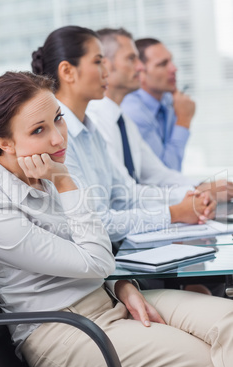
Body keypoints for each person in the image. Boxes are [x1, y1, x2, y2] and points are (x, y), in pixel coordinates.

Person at [0, 70, 233, 367]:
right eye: (39, 130)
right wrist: (65, 183)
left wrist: (121, 286)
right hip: (65, 334)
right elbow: (96, 259)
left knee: (229, 322)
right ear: (4, 143)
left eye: (58, 120)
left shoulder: (45, 167)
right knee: (212, 365)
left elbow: (89, 252)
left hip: (108, 297)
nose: (59, 139)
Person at [31, 25, 216, 245]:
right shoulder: (56, 140)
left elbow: (125, 195)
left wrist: (192, 198)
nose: (106, 73)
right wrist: (175, 212)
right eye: (98, 62)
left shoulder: (91, 130)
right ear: (68, 71)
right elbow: (98, 223)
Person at [87, 28, 233, 205]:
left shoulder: (123, 120)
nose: (140, 67)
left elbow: (158, 174)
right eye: (131, 59)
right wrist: (198, 192)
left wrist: (203, 187)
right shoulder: (95, 121)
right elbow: (124, 194)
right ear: (105, 64)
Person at [121, 37, 194, 171]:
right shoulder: (133, 111)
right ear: (140, 72)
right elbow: (165, 171)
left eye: (171, 61)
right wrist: (183, 120)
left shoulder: (167, 99)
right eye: (162, 64)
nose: (174, 69)